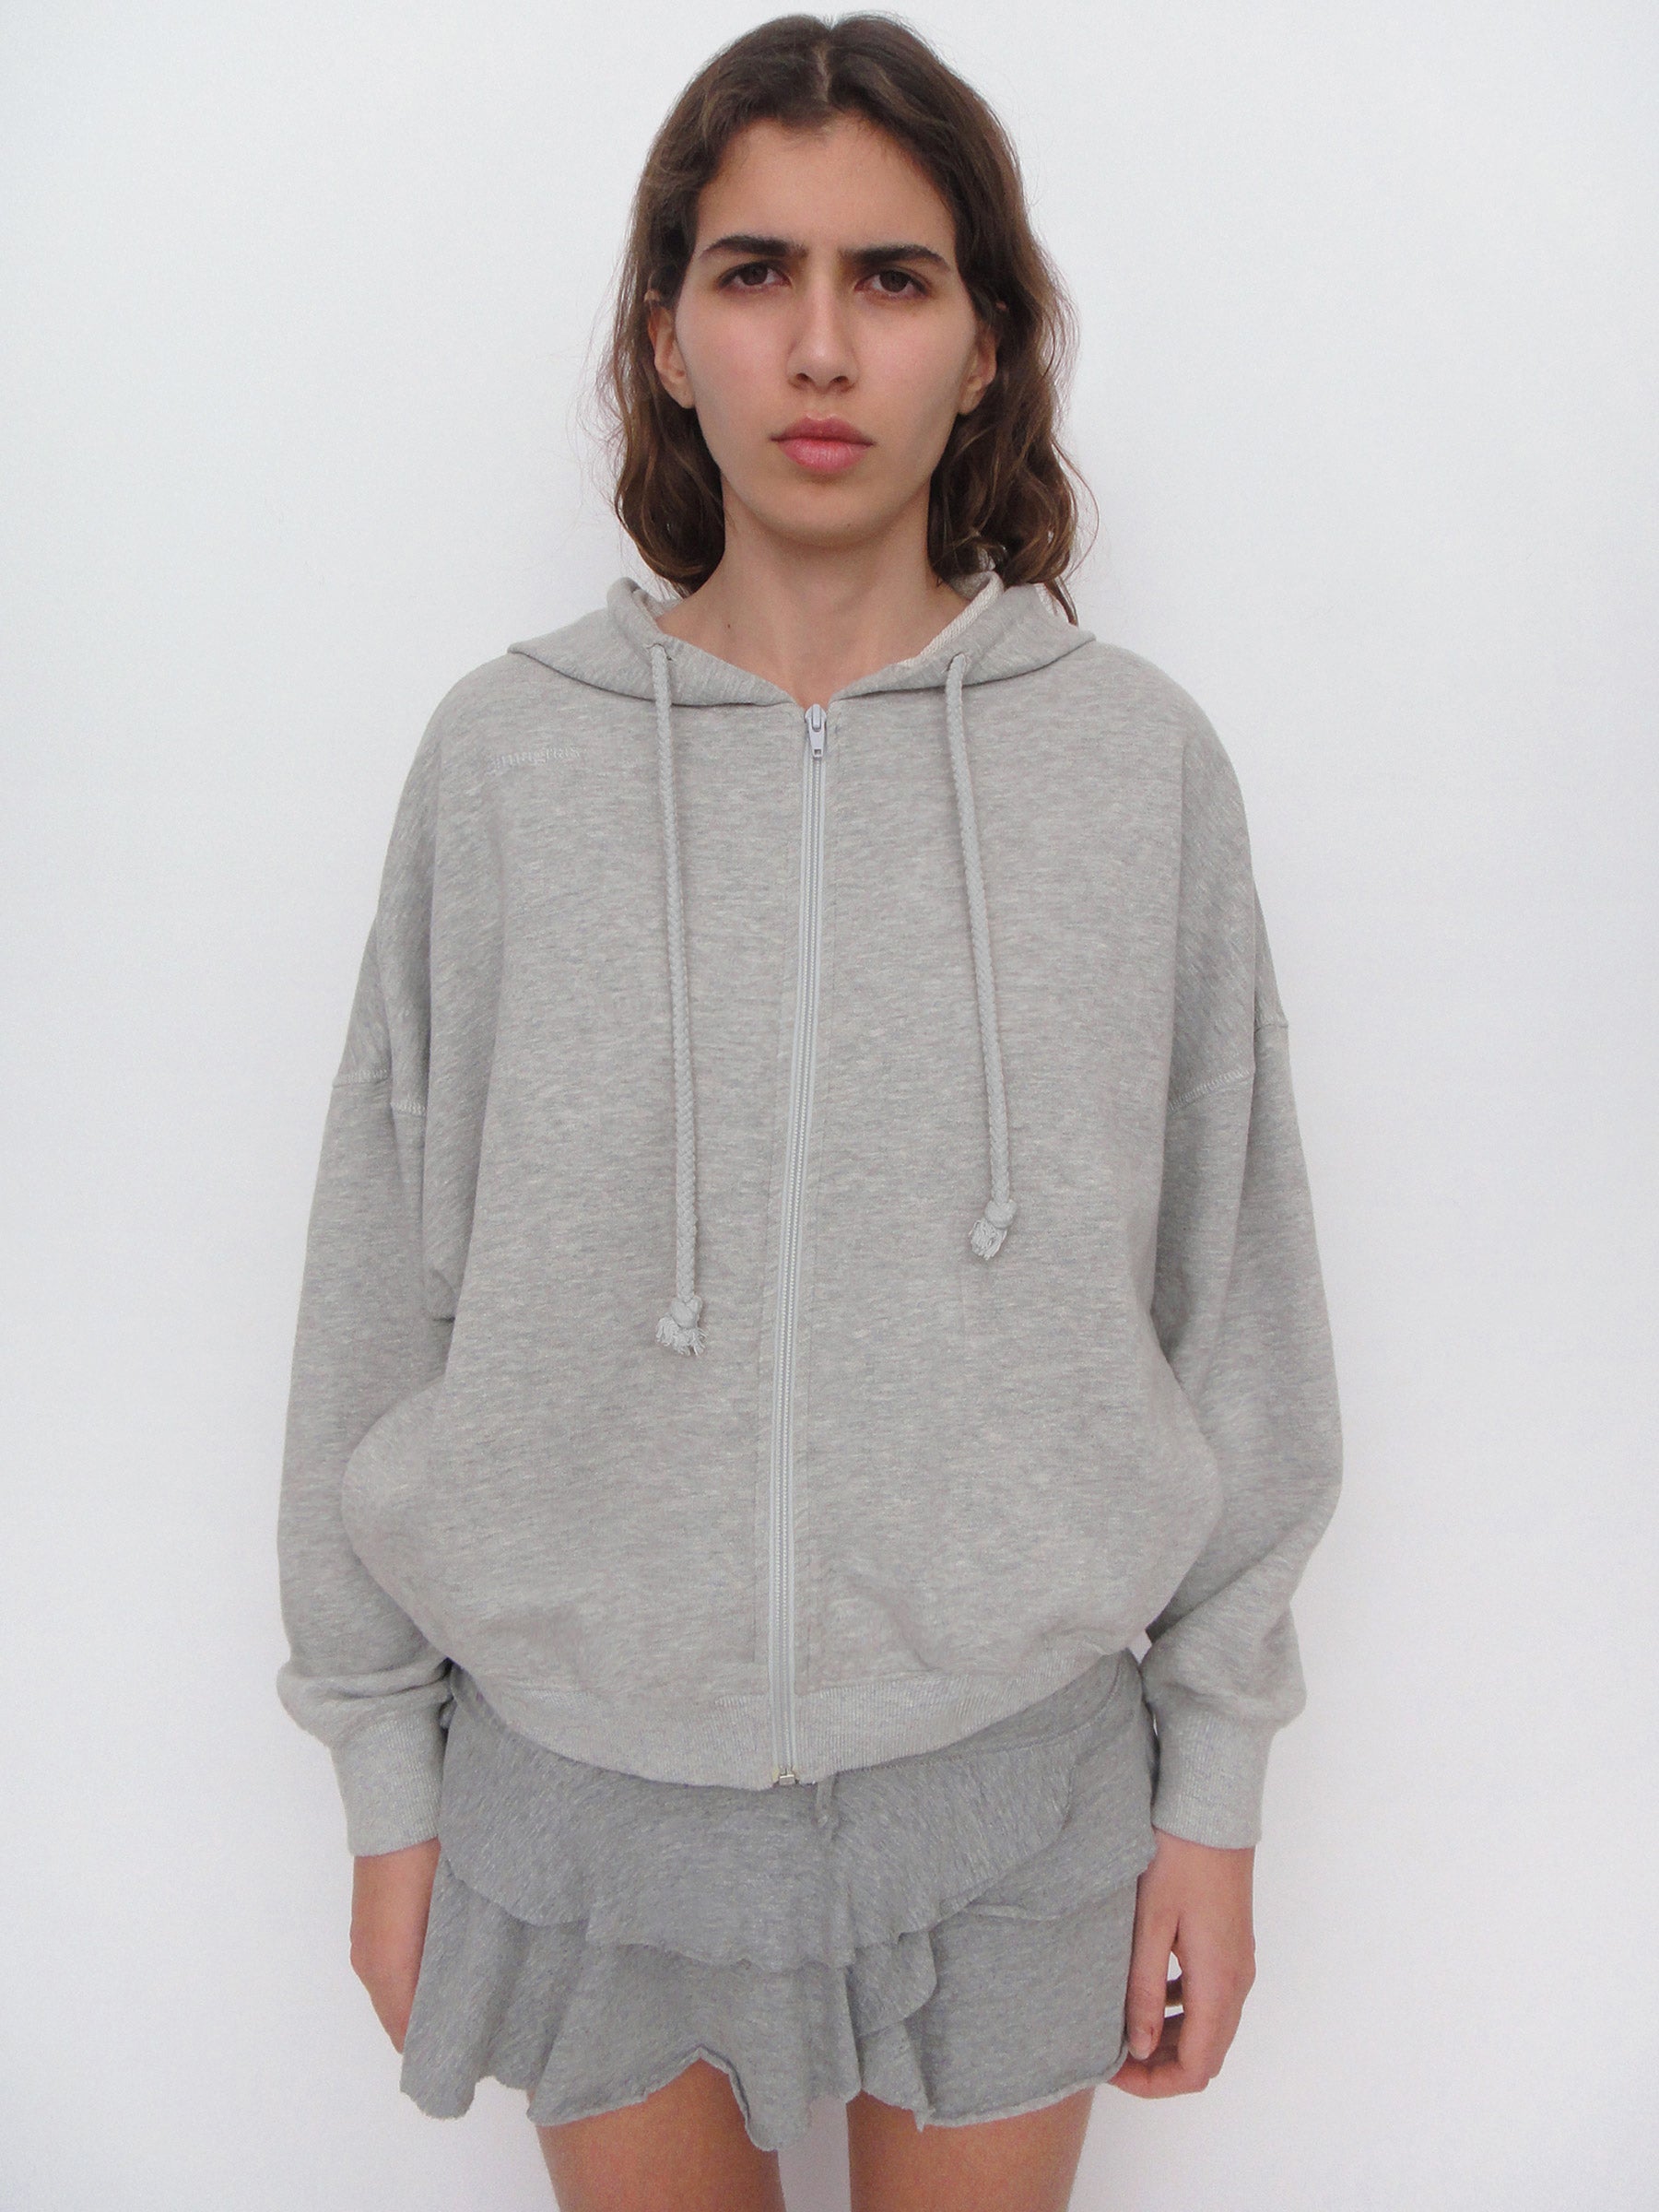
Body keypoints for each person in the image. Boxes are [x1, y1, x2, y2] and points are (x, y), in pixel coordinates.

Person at [274, 16, 1344, 2210]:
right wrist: (385, 1784)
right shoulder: (505, 767)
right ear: (667, 337)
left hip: (1017, 1794)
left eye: (895, 276)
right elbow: (379, 1287)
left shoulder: (1134, 769)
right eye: (756, 272)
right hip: (588, 1800)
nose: (823, 345)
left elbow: (1235, 1292)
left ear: (987, 342)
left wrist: (1216, 1797)